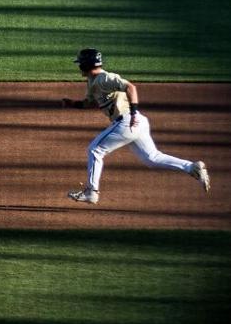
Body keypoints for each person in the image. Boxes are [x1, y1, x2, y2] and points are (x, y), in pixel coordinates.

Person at [62, 48, 211, 206]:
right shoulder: (93, 81)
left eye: (80, 64)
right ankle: (192, 167)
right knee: (152, 158)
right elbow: (89, 102)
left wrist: (133, 113)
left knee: (95, 150)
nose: (78, 67)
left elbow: (130, 87)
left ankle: (92, 192)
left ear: (85, 65)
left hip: (128, 121)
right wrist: (72, 103)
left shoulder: (105, 78)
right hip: (136, 122)